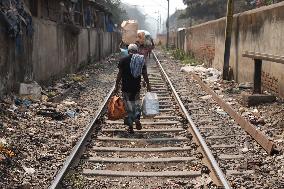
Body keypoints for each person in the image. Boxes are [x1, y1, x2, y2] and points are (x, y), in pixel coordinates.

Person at [114, 44, 151, 133]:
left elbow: (119, 75)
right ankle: (137, 119)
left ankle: (130, 127)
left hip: (126, 88)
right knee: (136, 105)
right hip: (136, 88)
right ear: (136, 51)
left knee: (127, 107)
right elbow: (145, 74)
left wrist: (116, 86)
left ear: (128, 51)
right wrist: (148, 84)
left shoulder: (123, 60)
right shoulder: (140, 60)